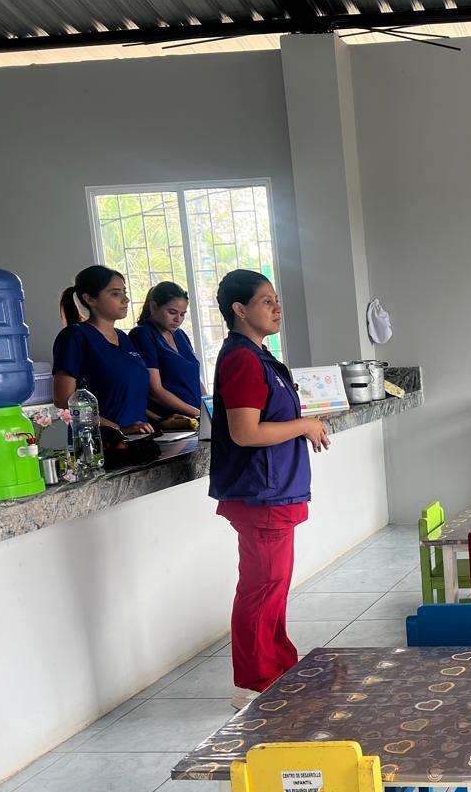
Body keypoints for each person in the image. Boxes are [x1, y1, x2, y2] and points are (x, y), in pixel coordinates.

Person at [209, 269, 330, 710]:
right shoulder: (241, 359)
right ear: (239, 310)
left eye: (276, 299)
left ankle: (278, 667)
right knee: (262, 588)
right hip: (260, 492)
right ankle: (253, 682)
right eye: (266, 301)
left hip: (276, 489)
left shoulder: (260, 357)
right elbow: (245, 432)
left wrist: (303, 424)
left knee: (273, 586)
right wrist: (305, 425)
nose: (277, 308)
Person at [51, 265, 154, 435]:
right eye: (115, 294)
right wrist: (118, 430)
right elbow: (63, 400)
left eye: (125, 292)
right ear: (90, 299)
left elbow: (130, 399)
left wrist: (162, 420)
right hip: (98, 443)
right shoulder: (75, 336)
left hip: (137, 438)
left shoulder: (123, 337)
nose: (126, 299)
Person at [128, 282, 204, 422]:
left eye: (182, 314)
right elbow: (155, 390)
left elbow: (194, 378)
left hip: (196, 417)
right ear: (153, 307)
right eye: (172, 312)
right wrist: (198, 414)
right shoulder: (143, 334)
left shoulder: (180, 334)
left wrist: (208, 408)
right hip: (172, 421)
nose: (178, 319)